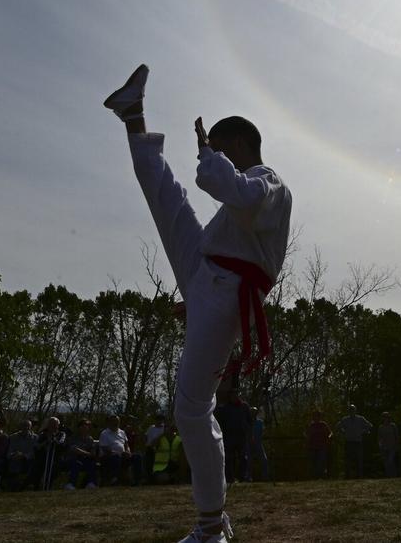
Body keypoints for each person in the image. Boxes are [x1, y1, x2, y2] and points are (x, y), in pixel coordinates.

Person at [105, 64, 291, 542]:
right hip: (204, 273)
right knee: (165, 196)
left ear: (242, 147)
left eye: (222, 149)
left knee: (190, 408)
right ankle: (133, 116)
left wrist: (210, 155)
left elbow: (233, 190)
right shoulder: (238, 199)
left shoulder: (270, 183)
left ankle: (212, 525)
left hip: (225, 290)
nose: (212, 156)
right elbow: (221, 193)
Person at [98, 415, 142, 486]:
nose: (115, 423)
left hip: (122, 456)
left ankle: (137, 480)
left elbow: (126, 445)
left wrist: (128, 452)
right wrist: (119, 453)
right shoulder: (104, 433)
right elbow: (105, 449)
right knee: (116, 457)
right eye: (113, 421)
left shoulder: (122, 432)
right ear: (109, 422)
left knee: (137, 456)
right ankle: (114, 480)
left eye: (117, 422)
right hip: (108, 457)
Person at [338, 404, 373, 479]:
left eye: (353, 409)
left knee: (359, 459)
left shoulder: (360, 419)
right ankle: (347, 476)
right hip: (348, 441)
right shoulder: (345, 419)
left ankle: (360, 476)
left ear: (355, 410)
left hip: (358, 441)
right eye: (350, 409)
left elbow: (370, 425)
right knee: (348, 460)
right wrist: (343, 431)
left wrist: (363, 431)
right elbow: (338, 426)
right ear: (348, 411)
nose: (351, 411)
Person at [63, 419, 99, 490]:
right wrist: (87, 453)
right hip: (72, 459)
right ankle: (71, 484)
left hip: (85, 460)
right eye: (85, 426)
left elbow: (92, 451)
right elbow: (74, 449)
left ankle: (91, 483)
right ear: (80, 427)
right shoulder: (73, 438)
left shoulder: (90, 439)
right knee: (76, 463)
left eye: (88, 426)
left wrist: (92, 452)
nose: (87, 428)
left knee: (93, 463)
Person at [34, 417, 68, 490]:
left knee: (55, 470)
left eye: (54, 424)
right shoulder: (42, 434)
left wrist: (54, 440)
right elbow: (37, 446)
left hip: (56, 459)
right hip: (43, 459)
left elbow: (61, 443)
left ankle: (50, 487)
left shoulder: (62, 434)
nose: (52, 426)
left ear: (58, 425)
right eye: (50, 424)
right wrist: (46, 442)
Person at [6, 419, 37, 491]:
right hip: (15, 459)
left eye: (27, 426)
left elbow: (33, 453)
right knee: (13, 463)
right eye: (23, 426)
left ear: (30, 427)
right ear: (20, 427)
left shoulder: (35, 438)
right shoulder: (13, 437)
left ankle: (20, 486)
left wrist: (23, 456)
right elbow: (9, 452)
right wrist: (14, 455)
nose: (25, 428)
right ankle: (13, 486)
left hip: (28, 460)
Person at [244, 406, 269, 482]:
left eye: (254, 413)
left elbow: (262, 433)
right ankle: (248, 477)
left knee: (264, 460)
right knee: (249, 461)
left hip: (258, 443)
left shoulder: (259, 423)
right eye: (252, 413)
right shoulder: (247, 423)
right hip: (249, 443)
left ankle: (265, 476)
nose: (253, 414)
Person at [306, 410, 332, 479]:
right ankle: (314, 476)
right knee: (313, 462)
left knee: (321, 462)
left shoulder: (323, 424)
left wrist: (329, 438)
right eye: (315, 416)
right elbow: (306, 433)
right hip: (313, 446)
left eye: (318, 416)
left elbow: (330, 433)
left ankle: (321, 476)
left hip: (322, 446)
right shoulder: (311, 425)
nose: (316, 417)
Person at [377, 412, 399, 478]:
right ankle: (388, 476)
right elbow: (379, 438)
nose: (385, 418)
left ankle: (394, 475)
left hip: (392, 447)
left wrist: (397, 445)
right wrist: (380, 446)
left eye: (386, 417)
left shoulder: (393, 425)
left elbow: (397, 436)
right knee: (386, 462)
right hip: (384, 447)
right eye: (384, 417)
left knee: (391, 460)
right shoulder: (380, 427)